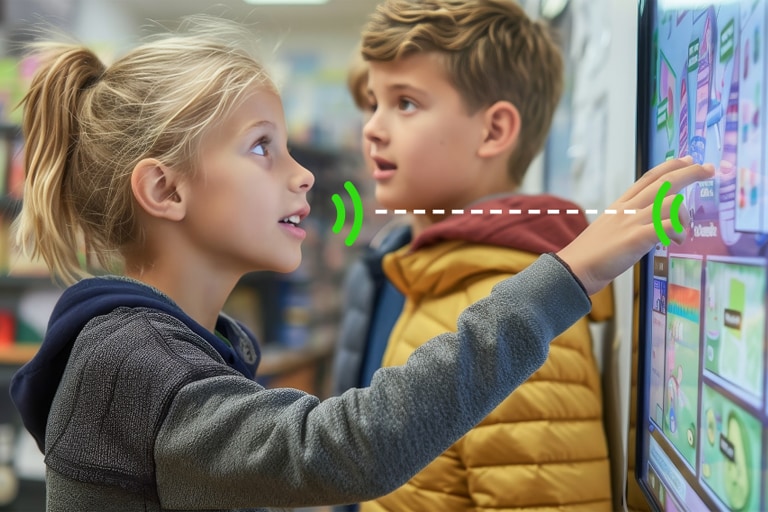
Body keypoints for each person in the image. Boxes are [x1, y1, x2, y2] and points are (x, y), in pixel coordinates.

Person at [7, 13, 711, 512]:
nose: (305, 175)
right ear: (165, 189)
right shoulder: (129, 363)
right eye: (262, 148)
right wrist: (574, 269)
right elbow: (347, 446)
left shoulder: (161, 347)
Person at [333, 0, 622, 510]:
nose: (372, 128)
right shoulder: (419, 272)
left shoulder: (518, 307)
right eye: (373, 102)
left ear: (493, 131)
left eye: (404, 103)